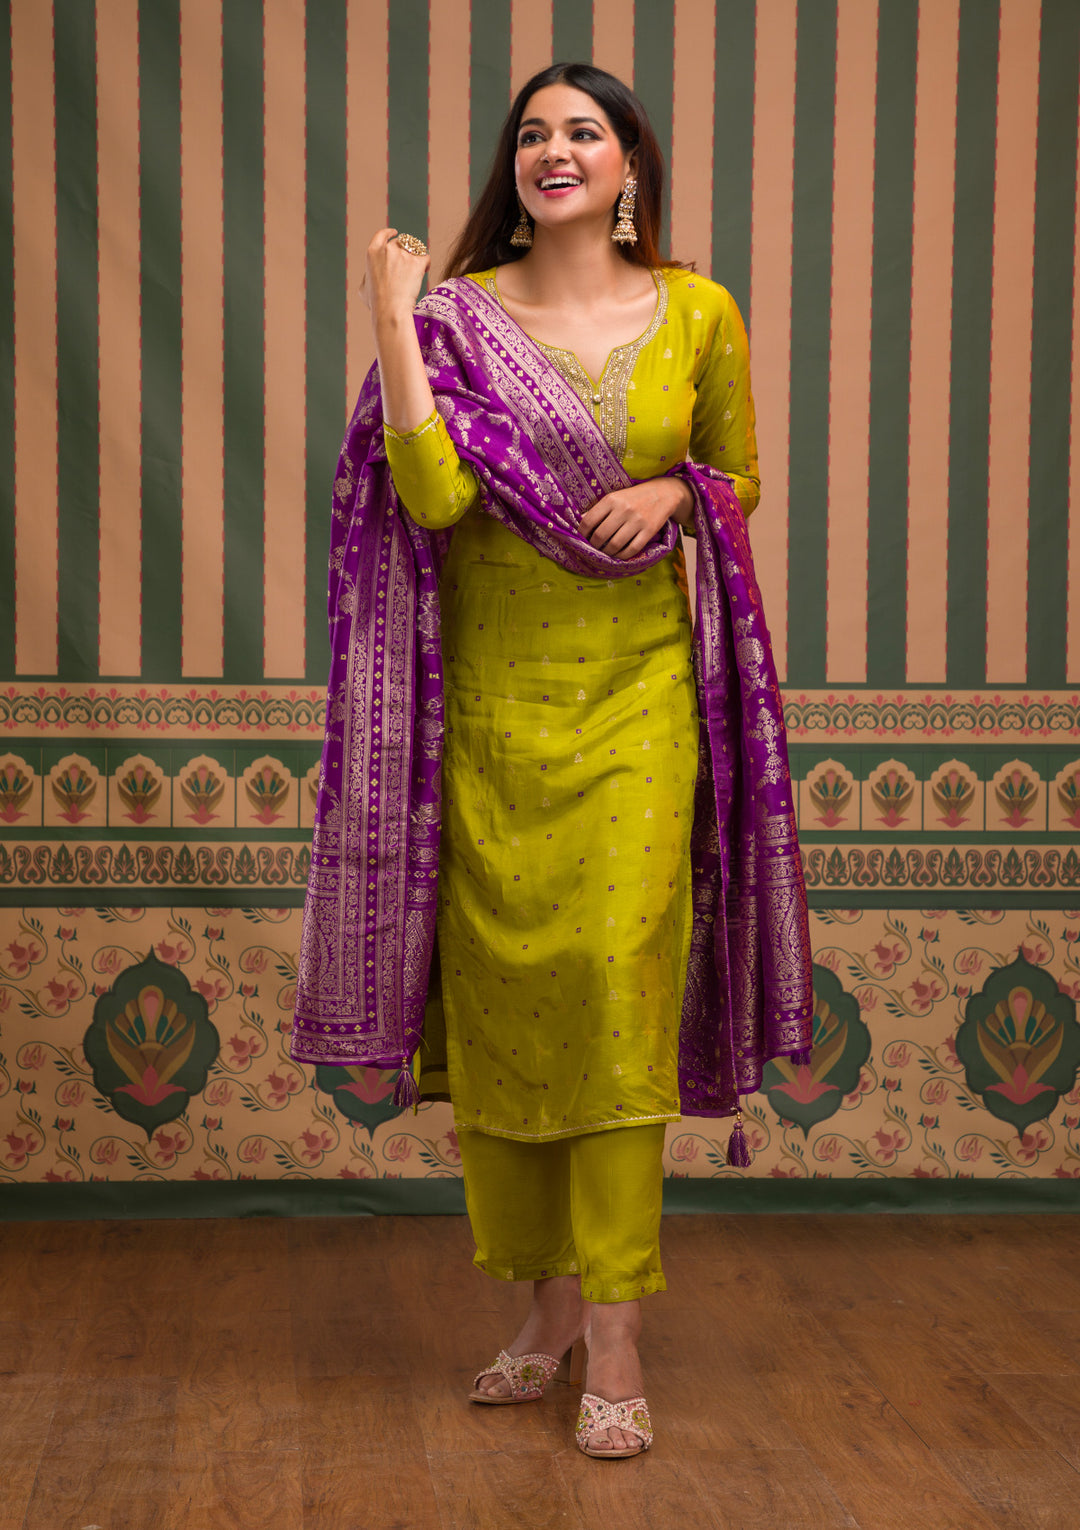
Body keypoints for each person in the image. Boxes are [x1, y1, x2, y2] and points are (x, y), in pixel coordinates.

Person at [291, 62, 813, 1460]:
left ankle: (618, 1327)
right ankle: (544, 1306)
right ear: (513, 168)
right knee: (510, 997)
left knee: (613, 986)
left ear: (630, 163)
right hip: (491, 710)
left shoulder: (698, 311)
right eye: (533, 134)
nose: (554, 150)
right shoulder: (456, 320)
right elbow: (430, 496)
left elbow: (742, 475)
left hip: (641, 699)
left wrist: (678, 490)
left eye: (584, 131)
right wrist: (393, 315)